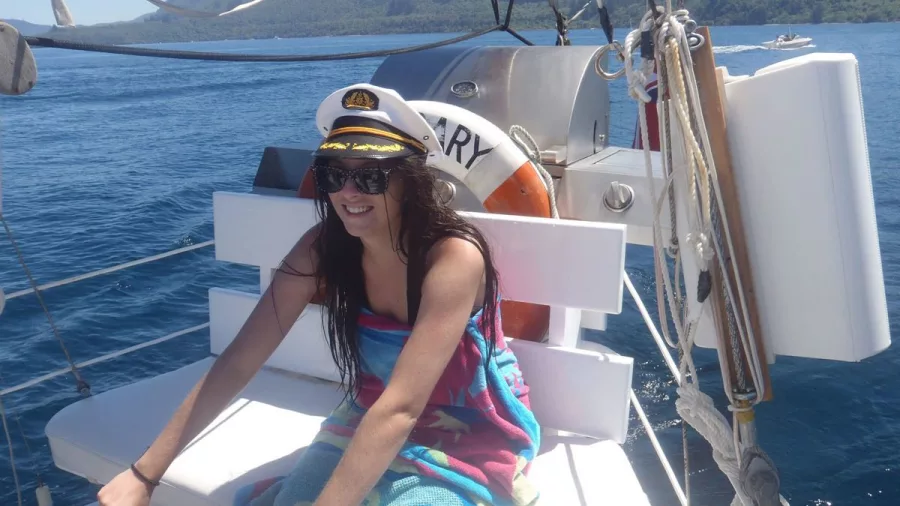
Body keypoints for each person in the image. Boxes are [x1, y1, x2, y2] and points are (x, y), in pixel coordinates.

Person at [96, 83, 541, 506]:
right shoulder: (320, 249)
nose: (347, 193)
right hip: (371, 409)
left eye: (370, 176)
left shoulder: (451, 258)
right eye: (333, 173)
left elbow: (403, 408)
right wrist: (143, 475)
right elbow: (239, 362)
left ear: (408, 180)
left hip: (464, 424)